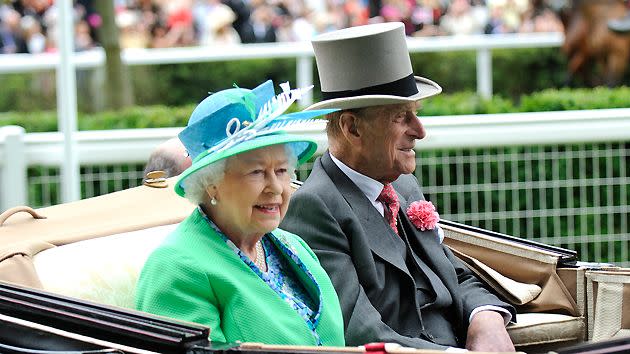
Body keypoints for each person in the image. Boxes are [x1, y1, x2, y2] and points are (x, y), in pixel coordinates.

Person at [280, 22, 516, 352]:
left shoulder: (402, 185)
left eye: (415, 114)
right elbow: (357, 331)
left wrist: (485, 318)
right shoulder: (315, 207)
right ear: (352, 128)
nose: (420, 131)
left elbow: (453, 274)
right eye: (401, 117)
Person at [135, 80, 345, 346]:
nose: (276, 188)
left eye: (281, 171)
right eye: (256, 172)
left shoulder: (296, 246)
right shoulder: (177, 269)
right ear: (211, 183)